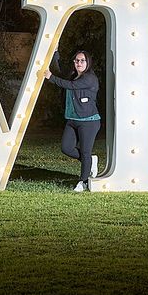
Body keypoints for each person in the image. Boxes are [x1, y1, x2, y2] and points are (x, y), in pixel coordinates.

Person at [44, 49, 100, 192]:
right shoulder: (72, 76)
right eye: (76, 60)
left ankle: (83, 182)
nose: (79, 63)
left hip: (88, 121)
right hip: (72, 119)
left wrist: (51, 78)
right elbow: (60, 71)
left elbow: (71, 86)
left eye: (82, 60)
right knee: (66, 148)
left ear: (88, 62)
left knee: (85, 152)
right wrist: (56, 53)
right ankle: (90, 161)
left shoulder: (89, 78)